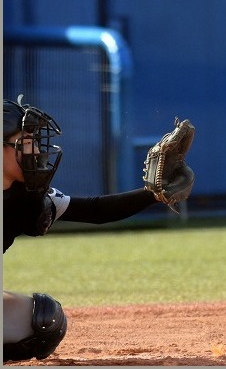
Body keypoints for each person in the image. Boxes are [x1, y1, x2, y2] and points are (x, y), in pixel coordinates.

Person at [3, 96, 194, 362]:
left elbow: (94, 210)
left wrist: (154, 194)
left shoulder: (24, 197)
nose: (35, 151)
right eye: (25, 143)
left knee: (45, 319)